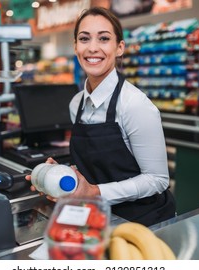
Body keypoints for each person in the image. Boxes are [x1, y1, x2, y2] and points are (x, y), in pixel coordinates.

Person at [27, 6, 175, 227]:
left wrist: (95, 192)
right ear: (75, 46)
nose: (93, 48)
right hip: (96, 217)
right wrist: (63, 174)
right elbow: (97, 166)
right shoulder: (76, 103)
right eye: (84, 39)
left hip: (143, 223)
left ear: (119, 48)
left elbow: (157, 180)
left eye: (104, 39)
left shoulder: (135, 105)